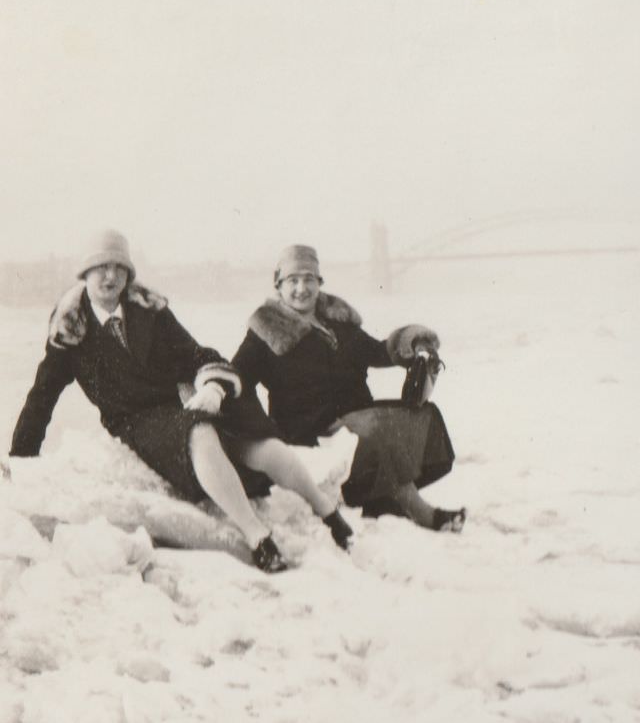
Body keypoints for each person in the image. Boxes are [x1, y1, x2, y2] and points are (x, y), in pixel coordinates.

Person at [9, 231, 353, 573]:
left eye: (119, 267)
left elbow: (195, 354)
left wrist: (213, 387)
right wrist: (21, 458)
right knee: (200, 431)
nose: (110, 276)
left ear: (129, 273)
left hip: (179, 404)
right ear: (84, 274)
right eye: (100, 267)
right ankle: (258, 537)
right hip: (136, 421)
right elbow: (43, 395)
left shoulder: (149, 311)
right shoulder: (71, 328)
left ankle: (326, 510)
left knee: (250, 434)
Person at [232, 245, 466, 532]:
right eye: (293, 280)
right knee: (378, 426)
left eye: (309, 279)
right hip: (310, 431)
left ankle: (384, 501)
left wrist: (415, 344)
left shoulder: (337, 321)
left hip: (356, 416)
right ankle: (425, 514)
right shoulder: (266, 330)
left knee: (421, 415)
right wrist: (260, 428)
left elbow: (379, 352)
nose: (301, 288)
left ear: (320, 283)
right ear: (278, 285)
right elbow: (238, 379)